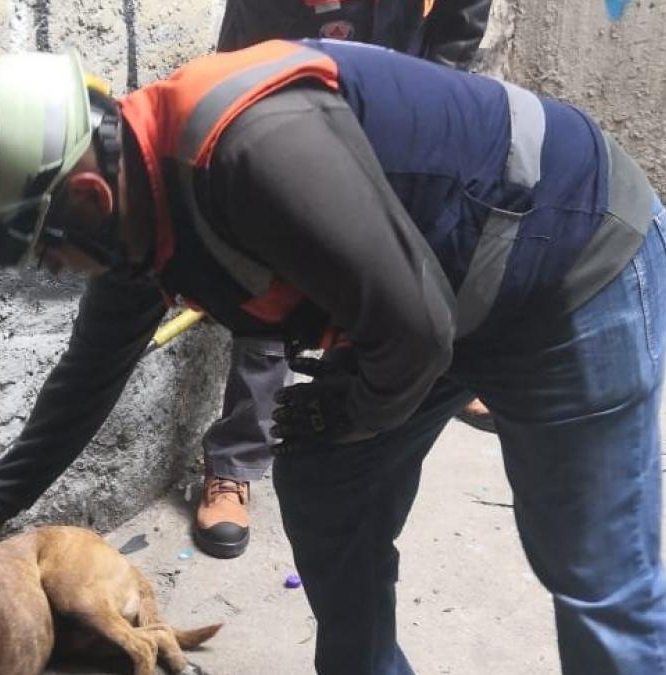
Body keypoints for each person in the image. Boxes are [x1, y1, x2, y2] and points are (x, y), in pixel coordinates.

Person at [0, 37, 666, 674]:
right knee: (326, 480)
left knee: (595, 576)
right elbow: (87, 377)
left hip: (571, 264)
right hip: (436, 295)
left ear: (86, 200)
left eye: (43, 254)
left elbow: (416, 334)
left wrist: (347, 405)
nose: (52, 272)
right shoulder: (133, 218)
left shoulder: (251, 152)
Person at [193, 0, 496, 560]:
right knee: (274, 259)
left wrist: (436, 81)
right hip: (286, 78)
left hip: (395, 67)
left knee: (420, 234)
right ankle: (234, 463)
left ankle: (437, 378)